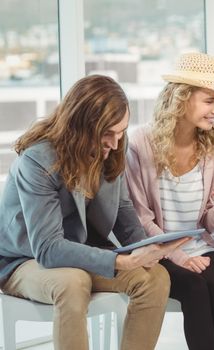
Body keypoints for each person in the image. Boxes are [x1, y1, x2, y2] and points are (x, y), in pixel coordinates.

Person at [0, 75, 190, 350]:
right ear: (80, 126)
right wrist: (121, 262)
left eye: (121, 131)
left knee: (155, 277)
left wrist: (148, 248)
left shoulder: (110, 152)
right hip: (25, 260)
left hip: (82, 252)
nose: (115, 143)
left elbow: (124, 212)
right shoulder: (38, 161)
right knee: (72, 281)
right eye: (107, 134)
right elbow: (48, 248)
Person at [126, 52, 214, 350]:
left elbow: (208, 224)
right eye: (209, 100)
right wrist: (178, 256)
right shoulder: (141, 144)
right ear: (182, 98)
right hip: (155, 251)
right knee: (195, 288)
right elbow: (140, 220)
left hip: (198, 246)